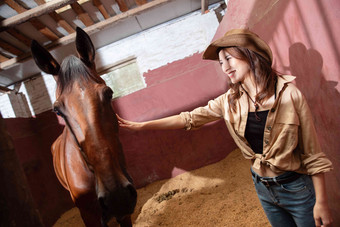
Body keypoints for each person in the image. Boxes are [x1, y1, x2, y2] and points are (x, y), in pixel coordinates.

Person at [117, 29, 333, 227]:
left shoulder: (290, 95)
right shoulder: (229, 101)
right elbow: (189, 119)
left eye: (229, 58)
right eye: (221, 63)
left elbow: (313, 154)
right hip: (263, 189)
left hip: (296, 188)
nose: (225, 67)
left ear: (249, 54)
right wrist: (142, 127)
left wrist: (321, 202)